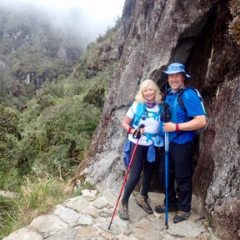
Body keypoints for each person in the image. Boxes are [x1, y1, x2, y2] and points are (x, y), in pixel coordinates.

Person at [155, 63, 207, 223]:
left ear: (183, 77)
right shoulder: (168, 94)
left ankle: (184, 208)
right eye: (171, 76)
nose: (174, 79)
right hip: (166, 142)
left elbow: (201, 121)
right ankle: (170, 203)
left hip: (182, 143)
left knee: (183, 176)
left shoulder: (188, 95)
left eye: (177, 75)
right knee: (165, 175)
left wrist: (175, 127)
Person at [119, 79, 163, 220]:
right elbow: (125, 123)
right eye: (145, 90)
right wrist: (133, 130)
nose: (149, 92)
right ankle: (124, 201)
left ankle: (142, 197)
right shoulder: (137, 106)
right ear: (142, 93)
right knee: (135, 174)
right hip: (137, 142)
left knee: (149, 173)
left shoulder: (160, 107)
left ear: (155, 90)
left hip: (153, 144)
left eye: (151, 89)